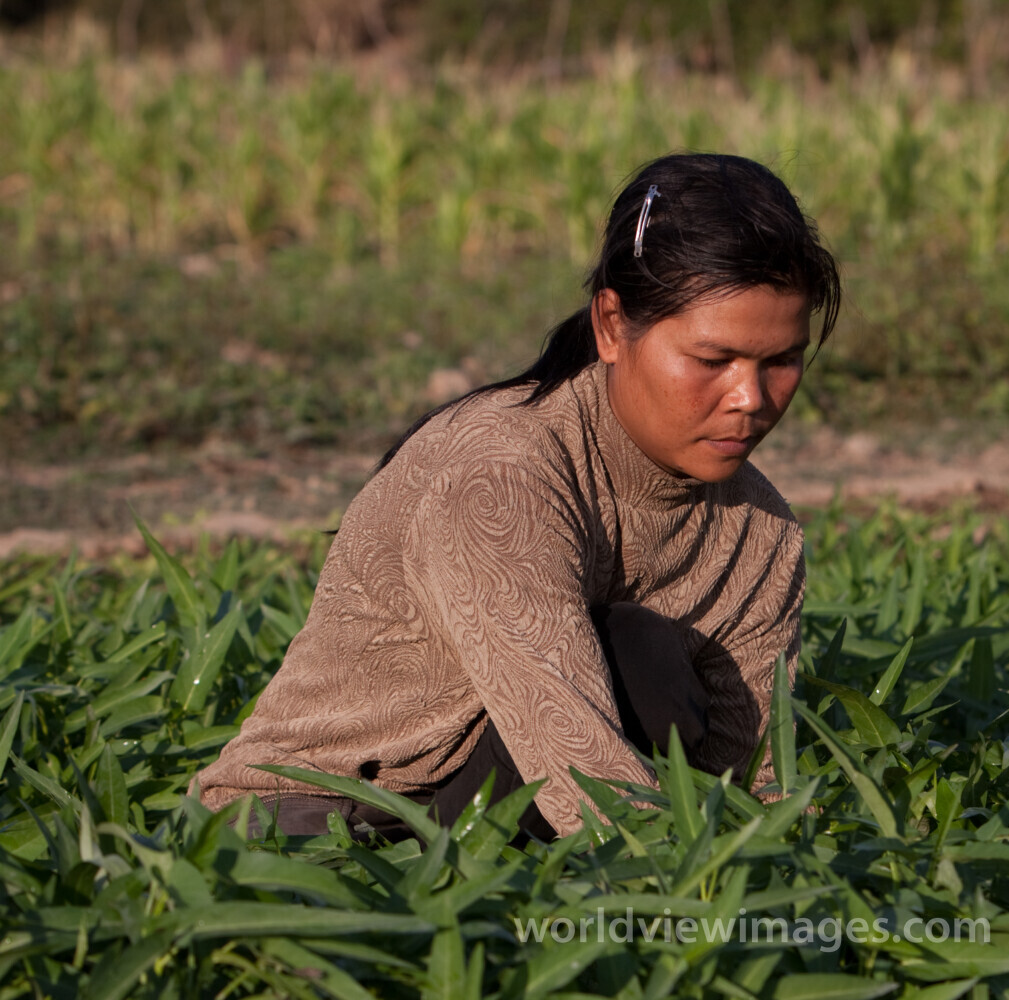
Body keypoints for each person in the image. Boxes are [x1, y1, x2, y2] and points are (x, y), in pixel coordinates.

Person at [192, 153, 841, 842]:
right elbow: (573, 753)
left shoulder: (761, 532)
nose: (749, 399)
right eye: (712, 360)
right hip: (315, 817)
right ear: (611, 325)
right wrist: (674, 877)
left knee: (639, 655)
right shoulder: (502, 475)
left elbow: (752, 778)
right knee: (634, 658)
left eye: (781, 361)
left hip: (488, 805)